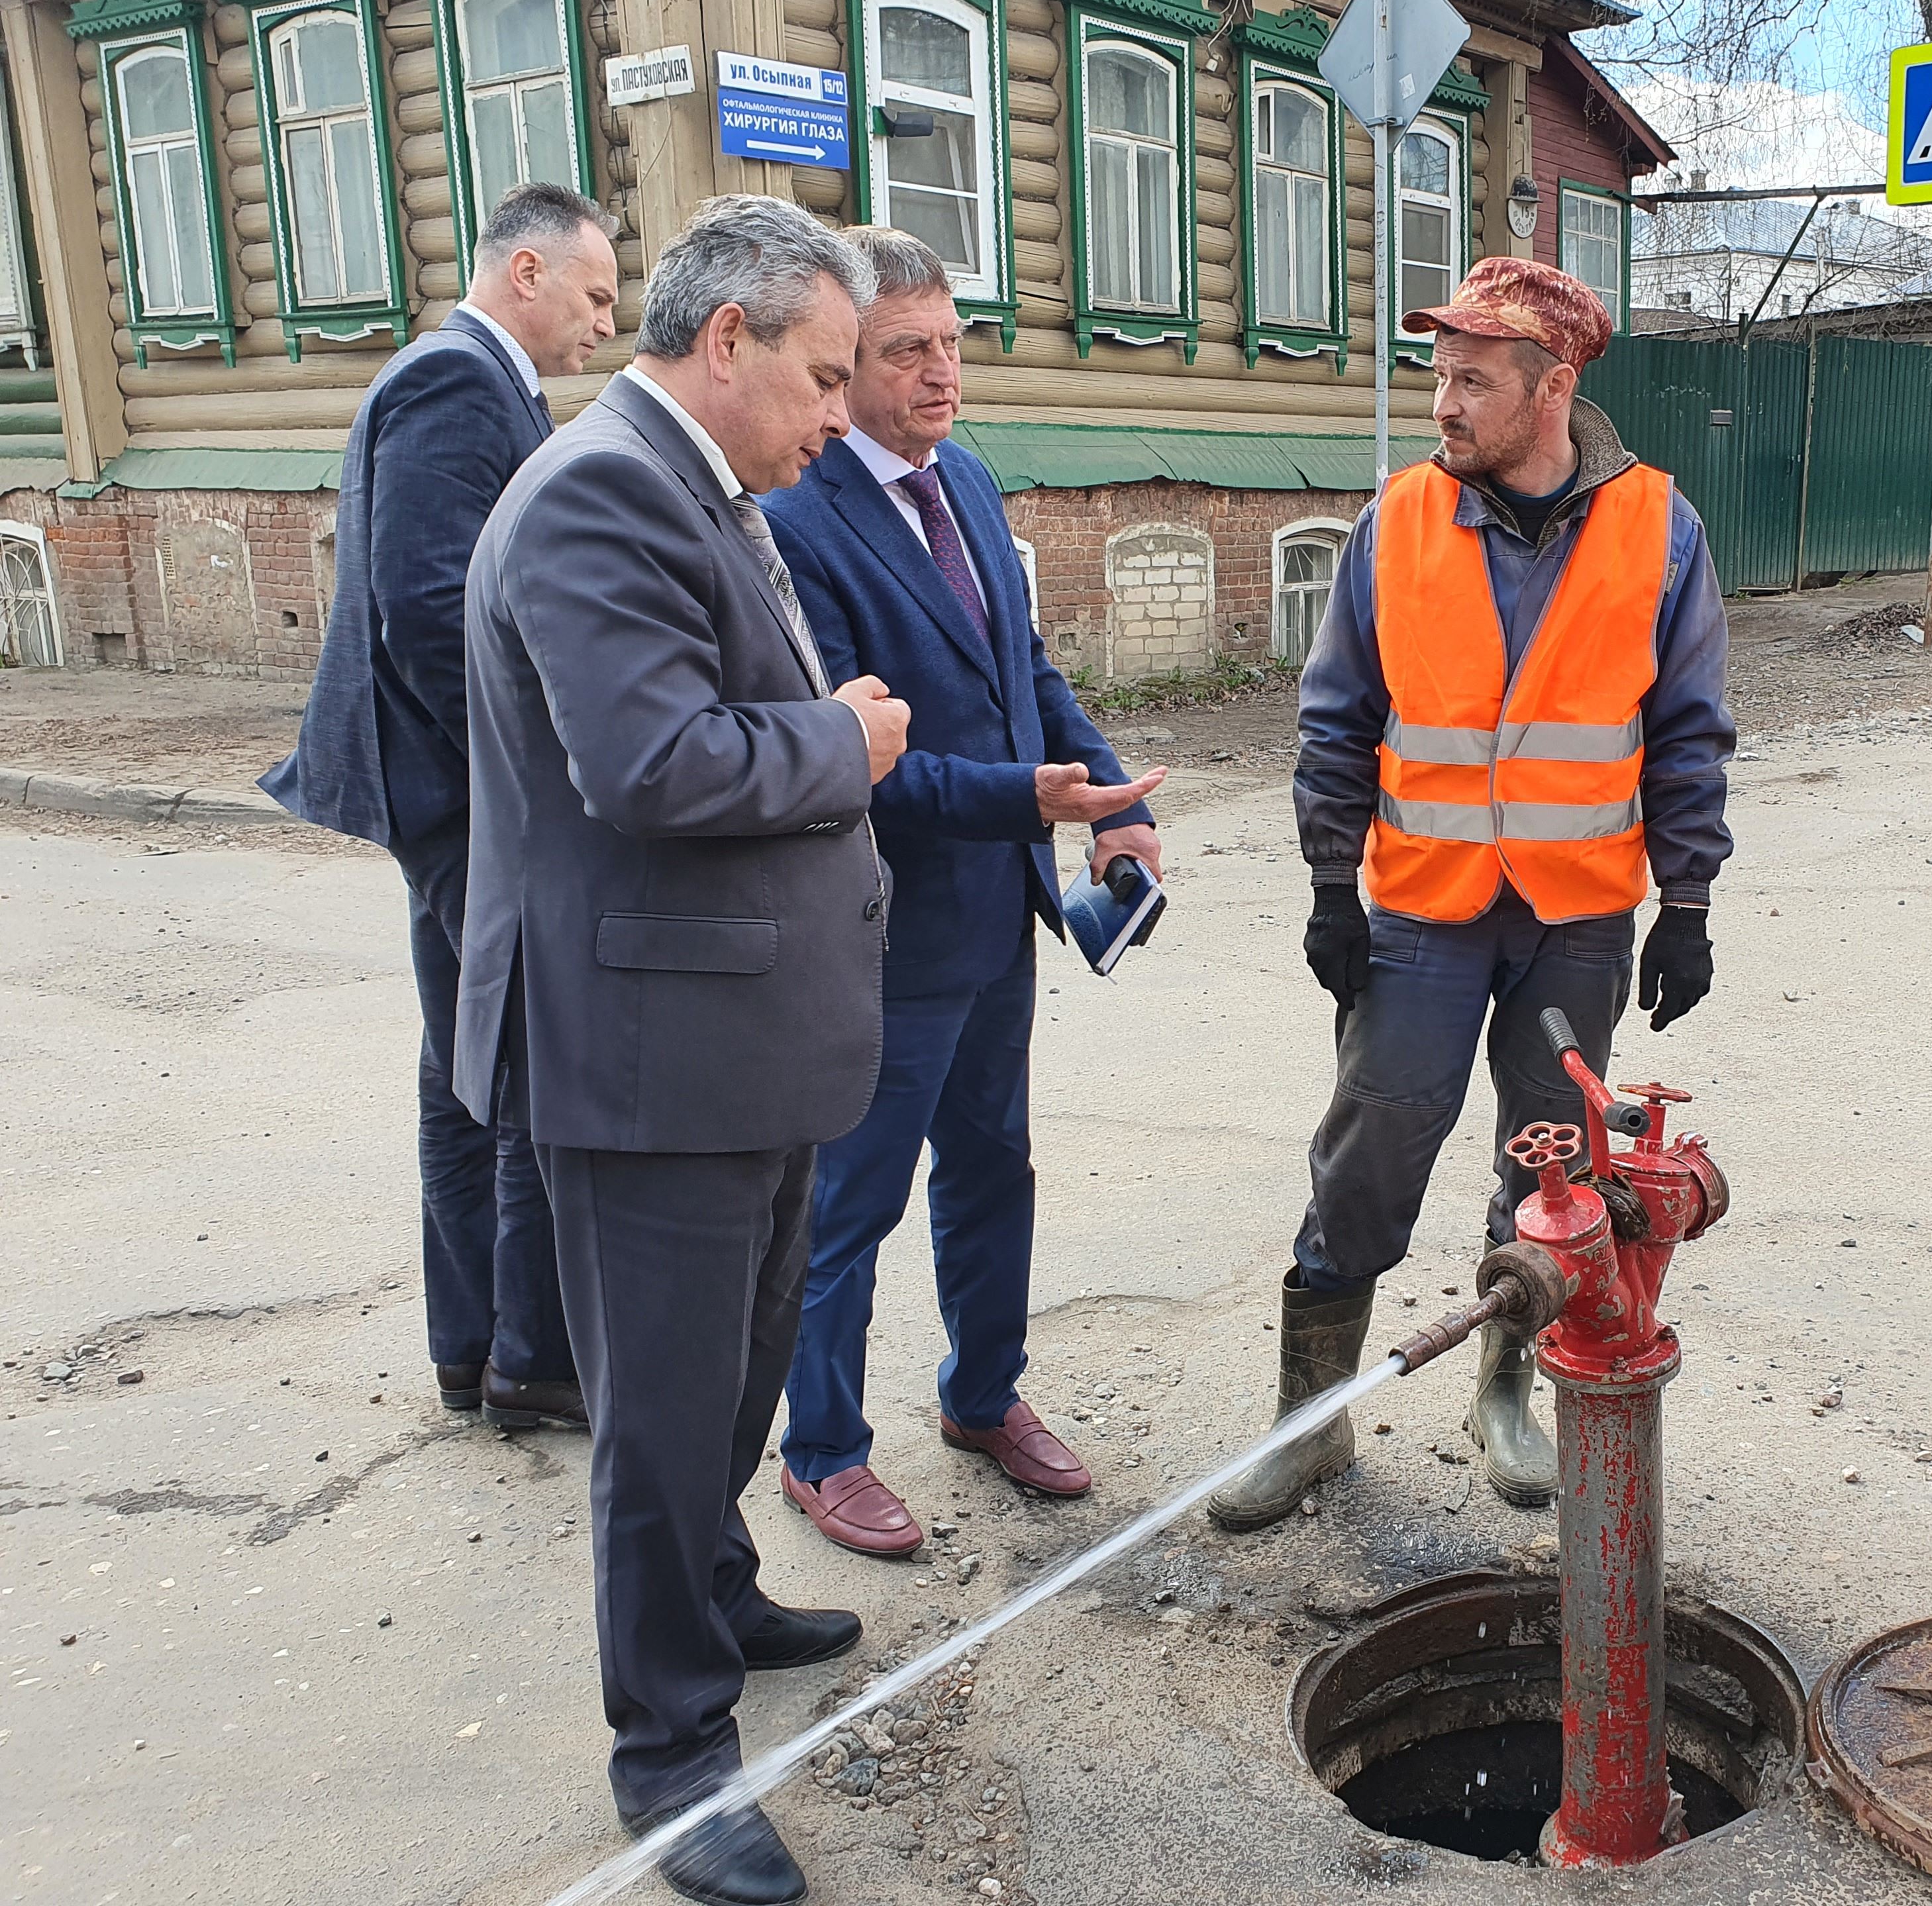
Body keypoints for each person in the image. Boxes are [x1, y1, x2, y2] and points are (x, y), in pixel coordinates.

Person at [457, 196, 910, 1906]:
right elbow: (651, 766)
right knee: (658, 1421)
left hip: (737, 1040)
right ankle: (671, 1753)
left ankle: (716, 1589)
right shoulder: (599, 494)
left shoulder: (703, 480)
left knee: (732, 1372)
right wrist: (842, 741)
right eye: (819, 378)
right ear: (725, 341)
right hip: (643, 1056)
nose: (835, 417)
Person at [1208, 256, 1733, 1532]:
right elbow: (1336, 718)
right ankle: (1310, 1422)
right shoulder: (1398, 521)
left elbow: (1689, 731)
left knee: (1552, 1166)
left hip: (1576, 920)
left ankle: (1503, 1393)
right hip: (1420, 912)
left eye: (1470, 380)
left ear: (1554, 387)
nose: (1441, 401)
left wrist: (1690, 902)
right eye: (1438, 374)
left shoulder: (1660, 527)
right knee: (1371, 1152)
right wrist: (1335, 884)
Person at [760, 228, 1162, 1552]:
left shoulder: (967, 482)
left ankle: (982, 1397)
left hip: (1000, 919)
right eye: (906, 352)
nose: (943, 374)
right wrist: (1027, 802)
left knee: (994, 1173)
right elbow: (856, 769)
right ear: (844, 363)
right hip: (885, 930)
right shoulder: (796, 523)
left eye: (952, 342)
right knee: (851, 1204)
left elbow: (1026, 675)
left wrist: (1116, 809)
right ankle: (820, 1451)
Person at [259, 182, 617, 1428]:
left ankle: (473, 1348)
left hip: (438, 792)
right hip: (460, 796)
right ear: (526, 272)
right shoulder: (456, 381)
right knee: (519, 1067)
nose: (604, 325)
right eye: (594, 294)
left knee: (464, 1065)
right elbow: (427, 607)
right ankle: (534, 1360)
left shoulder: (466, 376)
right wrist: (524, 774)